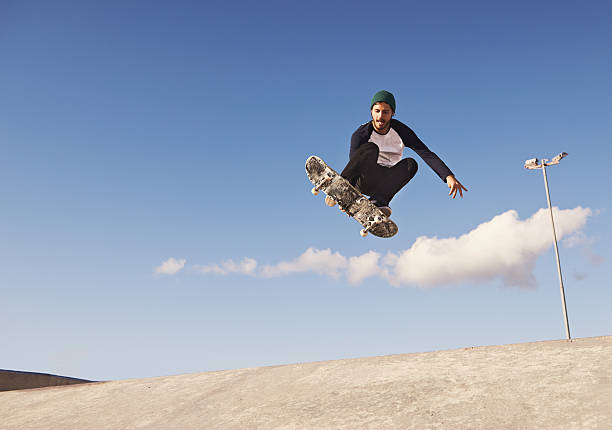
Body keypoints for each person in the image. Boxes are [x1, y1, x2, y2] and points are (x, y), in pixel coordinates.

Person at [325, 90, 467, 216]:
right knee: (370, 148)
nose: (380, 117)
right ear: (371, 111)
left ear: (392, 113)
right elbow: (354, 163)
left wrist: (448, 176)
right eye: (377, 111)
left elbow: (425, 153)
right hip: (363, 178)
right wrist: (349, 195)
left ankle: (378, 202)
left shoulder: (401, 131)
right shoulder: (361, 134)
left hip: (385, 182)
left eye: (385, 112)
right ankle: (340, 188)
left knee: (411, 164)